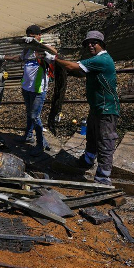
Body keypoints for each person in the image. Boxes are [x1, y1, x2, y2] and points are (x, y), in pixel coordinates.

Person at [53, 31, 119, 185]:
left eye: (93, 42)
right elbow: (81, 72)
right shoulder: (95, 61)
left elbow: (71, 65)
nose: (90, 45)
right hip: (97, 107)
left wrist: (56, 60)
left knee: (105, 141)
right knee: (91, 136)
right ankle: (87, 160)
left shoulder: (102, 60)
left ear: (101, 44)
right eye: (87, 43)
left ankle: (103, 177)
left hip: (107, 109)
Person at [4, 25, 57, 156]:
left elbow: (55, 53)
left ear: (39, 36)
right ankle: (28, 136)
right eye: (29, 37)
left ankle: (40, 144)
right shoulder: (28, 49)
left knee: (35, 116)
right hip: (26, 87)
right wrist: (4, 57)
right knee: (29, 113)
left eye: (33, 37)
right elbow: (20, 58)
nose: (30, 39)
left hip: (38, 89)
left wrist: (38, 44)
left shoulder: (43, 47)